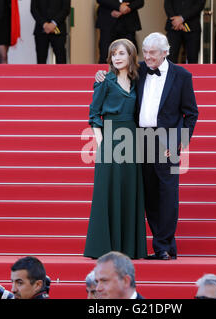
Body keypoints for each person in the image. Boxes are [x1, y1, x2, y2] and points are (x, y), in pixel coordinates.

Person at [96, 32, 199, 261]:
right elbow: (117, 73)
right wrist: (101, 74)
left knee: (168, 194)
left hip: (167, 140)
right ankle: (161, 245)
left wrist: (179, 141)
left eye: (153, 52)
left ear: (165, 52)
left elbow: (191, 113)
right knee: (149, 194)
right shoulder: (139, 70)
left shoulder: (182, 75)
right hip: (138, 137)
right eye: (145, 52)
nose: (148, 57)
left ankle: (164, 245)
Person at [84, 38, 148, 260]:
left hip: (132, 141)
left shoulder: (138, 81)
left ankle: (129, 248)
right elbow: (94, 115)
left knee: (129, 192)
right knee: (106, 193)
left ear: (131, 55)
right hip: (110, 139)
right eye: (114, 54)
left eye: (122, 53)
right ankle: (102, 248)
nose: (117, 58)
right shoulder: (105, 81)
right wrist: (102, 144)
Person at [30, 0, 71, 64]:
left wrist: (54, 23)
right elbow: (33, 9)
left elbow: (66, 9)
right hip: (41, 29)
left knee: (61, 60)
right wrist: (44, 24)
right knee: (41, 62)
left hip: (58, 29)